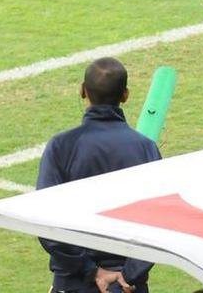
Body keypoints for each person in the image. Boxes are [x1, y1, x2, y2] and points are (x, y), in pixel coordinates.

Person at [37, 58, 162, 293]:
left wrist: (90, 270)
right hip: (128, 286)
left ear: (83, 90)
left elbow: (45, 222)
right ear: (125, 95)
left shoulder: (61, 146)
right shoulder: (146, 148)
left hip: (75, 284)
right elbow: (159, 221)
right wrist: (130, 273)